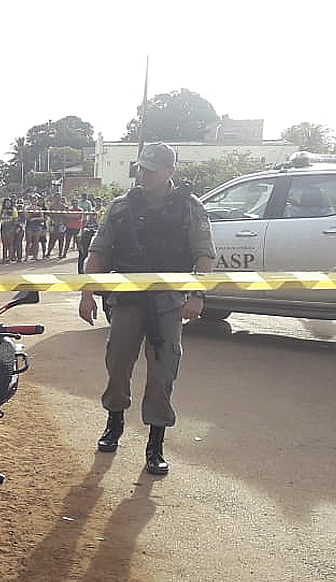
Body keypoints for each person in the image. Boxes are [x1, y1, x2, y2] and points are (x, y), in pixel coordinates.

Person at [78, 143, 216, 476]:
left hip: (168, 303)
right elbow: (98, 254)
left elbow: (204, 256)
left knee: (163, 372)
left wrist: (197, 294)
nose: (143, 174)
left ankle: (155, 443)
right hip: (127, 300)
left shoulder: (190, 208)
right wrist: (87, 293)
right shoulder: (121, 207)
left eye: (151, 169)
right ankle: (114, 422)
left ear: (171, 171)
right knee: (117, 365)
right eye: (141, 168)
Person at [0, 198, 18, 263]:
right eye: (6, 203)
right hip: (3, 227)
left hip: (10, 227)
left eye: (9, 202)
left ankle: (9, 258)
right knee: (4, 244)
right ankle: (4, 258)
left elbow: (15, 220)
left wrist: (13, 229)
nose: (7, 204)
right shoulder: (2, 210)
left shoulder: (13, 210)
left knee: (10, 244)